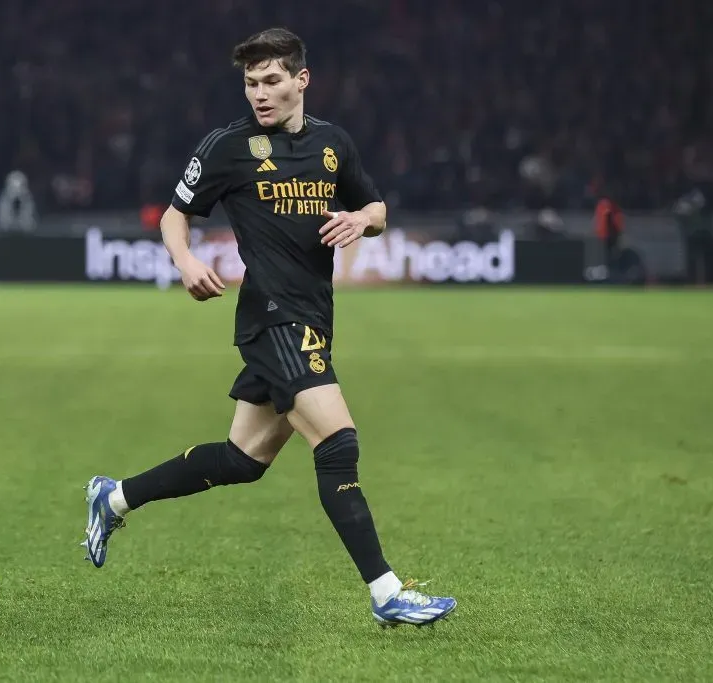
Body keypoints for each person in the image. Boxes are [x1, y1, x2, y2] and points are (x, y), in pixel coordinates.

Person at [81, 27, 456, 629]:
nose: (259, 93)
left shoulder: (333, 144)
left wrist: (361, 219)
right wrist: (186, 261)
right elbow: (175, 216)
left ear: (301, 81)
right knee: (338, 443)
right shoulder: (229, 147)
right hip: (271, 316)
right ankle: (387, 592)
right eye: (251, 83)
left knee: (243, 459)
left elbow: (379, 208)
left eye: (272, 81)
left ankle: (115, 496)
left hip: (313, 316)